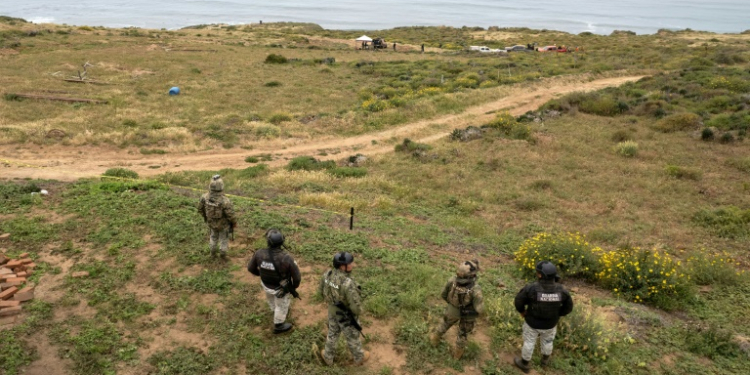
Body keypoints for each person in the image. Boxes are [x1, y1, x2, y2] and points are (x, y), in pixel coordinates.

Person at [513, 261, 574, 373]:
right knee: (548, 341)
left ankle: (524, 364)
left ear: (540, 275)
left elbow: (518, 301)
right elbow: (569, 307)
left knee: (529, 342)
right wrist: (557, 314)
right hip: (550, 324)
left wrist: (522, 311)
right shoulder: (562, 291)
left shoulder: (531, 288)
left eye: (538, 272)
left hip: (532, 323)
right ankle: (545, 360)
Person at [317, 252, 369, 366]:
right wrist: (357, 315)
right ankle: (359, 358)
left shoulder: (327, 275)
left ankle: (327, 356)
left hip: (332, 311)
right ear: (342, 266)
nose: (352, 265)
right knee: (352, 337)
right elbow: (355, 307)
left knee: (333, 333)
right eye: (349, 263)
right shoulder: (347, 283)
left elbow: (321, 292)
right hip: (346, 315)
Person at [247, 229, 301, 334]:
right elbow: (297, 277)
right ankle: (279, 325)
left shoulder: (259, 254)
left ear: (268, 241)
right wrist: (293, 287)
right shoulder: (286, 258)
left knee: (271, 299)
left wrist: (261, 275)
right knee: (281, 305)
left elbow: (250, 268)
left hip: (266, 285)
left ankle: (274, 310)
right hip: (281, 288)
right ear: (282, 242)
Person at [430, 259, 483, 360]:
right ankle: (457, 356)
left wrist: (452, 305)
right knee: (463, 334)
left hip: (453, 310)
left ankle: (434, 341)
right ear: (472, 275)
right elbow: (479, 308)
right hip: (468, 314)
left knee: (444, 324)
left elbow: (443, 294)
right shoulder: (476, 289)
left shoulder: (452, 280)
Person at [198, 175, 237, 259]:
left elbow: (200, 209)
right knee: (224, 240)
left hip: (211, 223)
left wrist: (206, 218)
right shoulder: (225, 201)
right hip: (223, 225)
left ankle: (212, 255)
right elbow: (231, 215)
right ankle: (223, 256)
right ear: (222, 187)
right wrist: (234, 223)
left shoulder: (204, 197)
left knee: (213, 238)